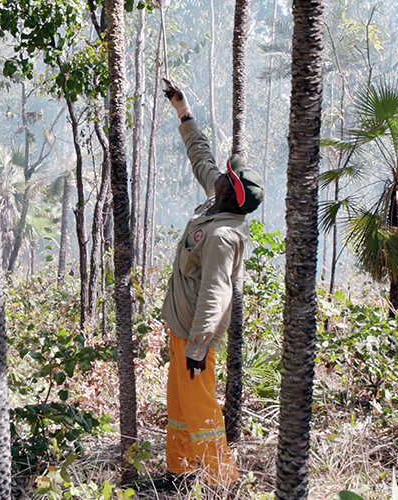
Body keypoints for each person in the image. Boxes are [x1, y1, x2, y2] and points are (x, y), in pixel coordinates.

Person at [159, 78, 264, 489]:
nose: (219, 173)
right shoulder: (216, 200)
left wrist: (199, 347)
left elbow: (216, 295)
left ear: (230, 193)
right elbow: (199, 156)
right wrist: (183, 111)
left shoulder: (223, 236)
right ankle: (180, 474)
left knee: (200, 408)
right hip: (181, 328)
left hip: (194, 337)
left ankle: (222, 484)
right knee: (179, 405)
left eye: (226, 175)